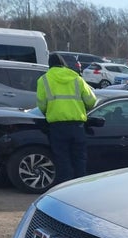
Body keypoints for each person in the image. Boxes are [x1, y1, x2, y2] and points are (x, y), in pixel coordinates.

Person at [36, 53, 96, 185]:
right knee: (79, 159)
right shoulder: (76, 78)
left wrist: (50, 111)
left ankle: (64, 187)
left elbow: (41, 104)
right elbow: (91, 101)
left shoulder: (44, 80)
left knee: (62, 160)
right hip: (77, 126)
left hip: (57, 127)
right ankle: (79, 187)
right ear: (64, 63)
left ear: (49, 65)